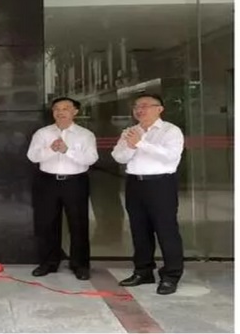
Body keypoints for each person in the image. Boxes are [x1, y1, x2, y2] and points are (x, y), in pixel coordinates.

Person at [111, 93, 184, 295]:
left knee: (166, 230)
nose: (139, 110)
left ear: (159, 109)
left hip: (161, 184)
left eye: (145, 106)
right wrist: (131, 146)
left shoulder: (170, 131)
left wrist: (141, 143)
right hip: (135, 183)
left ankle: (171, 275)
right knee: (139, 230)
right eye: (136, 106)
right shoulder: (130, 131)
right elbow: (118, 156)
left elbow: (171, 157)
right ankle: (143, 271)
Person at [27, 97, 98, 280]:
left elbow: (91, 159)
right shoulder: (42, 133)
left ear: (75, 112)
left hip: (75, 182)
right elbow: (33, 156)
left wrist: (67, 151)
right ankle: (48, 263)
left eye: (66, 108)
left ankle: (80, 265)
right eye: (57, 109)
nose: (60, 112)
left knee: (78, 224)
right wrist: (51, 150)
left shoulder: (85, 135)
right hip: (47, 182)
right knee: (46, 223)